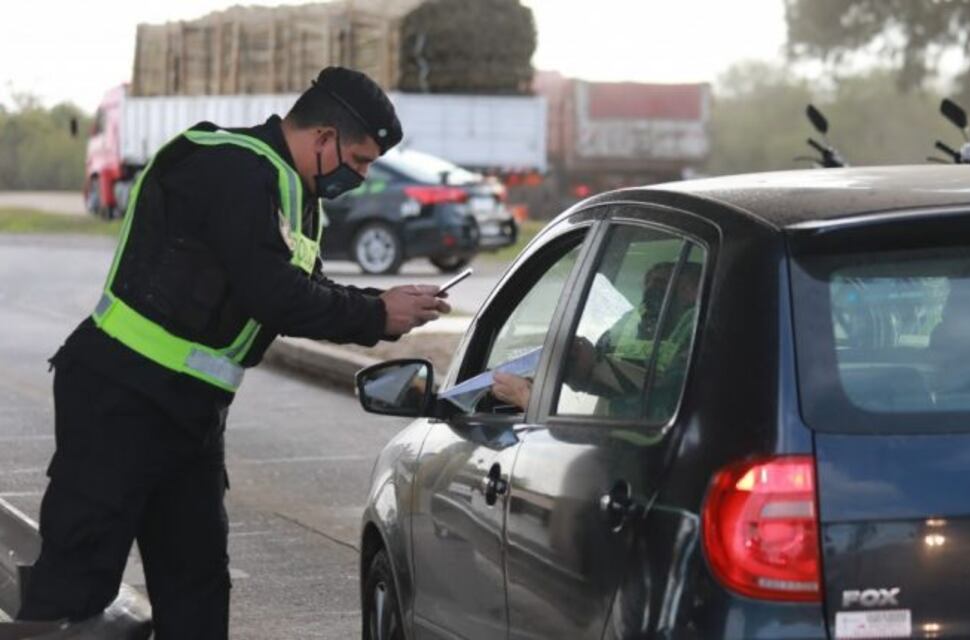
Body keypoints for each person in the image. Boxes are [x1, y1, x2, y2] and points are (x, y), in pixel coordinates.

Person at [17, 67, 449, 638]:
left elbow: (307, 290)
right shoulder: (231, 167)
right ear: (324, 139)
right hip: (121, 396)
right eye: (361, 160)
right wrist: (377, 314)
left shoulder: (296, 196)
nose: (363, 176)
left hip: (191, 414)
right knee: (74, 592)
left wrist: (385, 306)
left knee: (196, 588)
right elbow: (273, 294)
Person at [492, 262, 700, 415]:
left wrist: (531, 400)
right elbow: (619, 371)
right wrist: (587, 372)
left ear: (693, 292)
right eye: (649, 282)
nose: (652, 289)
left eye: (663, 283)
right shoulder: (629, 322)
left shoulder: (699, 333)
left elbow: (660, 407)